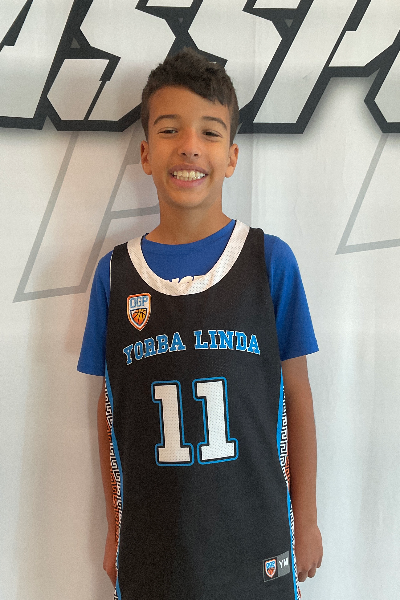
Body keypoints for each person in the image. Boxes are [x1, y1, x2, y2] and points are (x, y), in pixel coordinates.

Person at [78, 48, 323, 600]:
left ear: (231, 156)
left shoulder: (269, 261)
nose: (189, 145)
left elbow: (297, 398)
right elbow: (109, 409)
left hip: (256, 540)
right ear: (146, 152)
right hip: (155, 546)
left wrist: (305, 519)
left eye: (210, 132)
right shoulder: (115, 275)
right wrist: (116, 524)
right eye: (170, 129)